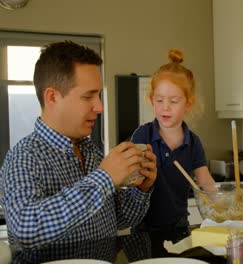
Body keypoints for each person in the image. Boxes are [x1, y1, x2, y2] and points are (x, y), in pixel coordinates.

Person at [0, 41, 157, 250]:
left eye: (99, 95)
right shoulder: (23, 157)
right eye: (88, 96)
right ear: (52, 97)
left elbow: (120, 220)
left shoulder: (91, 151)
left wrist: (142, 190)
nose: (100, 106)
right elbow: (26, 231)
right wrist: (106, 177)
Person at [130, 49, 215, 239]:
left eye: (174, 101)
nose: (165, 107)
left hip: (179, 227)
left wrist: (224, 205)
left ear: (188, 103)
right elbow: (132, 181)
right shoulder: (142, 135)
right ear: (152, 100)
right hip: (143, 229)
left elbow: (206, 182)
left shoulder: (193, 142)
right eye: (159, 100)